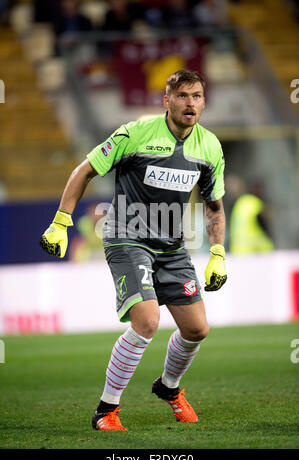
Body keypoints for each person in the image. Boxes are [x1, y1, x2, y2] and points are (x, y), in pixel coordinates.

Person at [40, 69, 227, 432]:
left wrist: (218, 252)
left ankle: (169, 388)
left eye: (198, 96)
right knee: (147, 321)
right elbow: (85, 170)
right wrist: (61, 220)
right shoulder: (136, 133)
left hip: (172, 246)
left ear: (204, 101)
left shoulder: (210, 147)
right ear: (167, 100)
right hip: (128, 237)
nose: (191, 103)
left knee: (197, 329)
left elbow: (214, 204)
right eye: (183, 96)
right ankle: (105, 411)